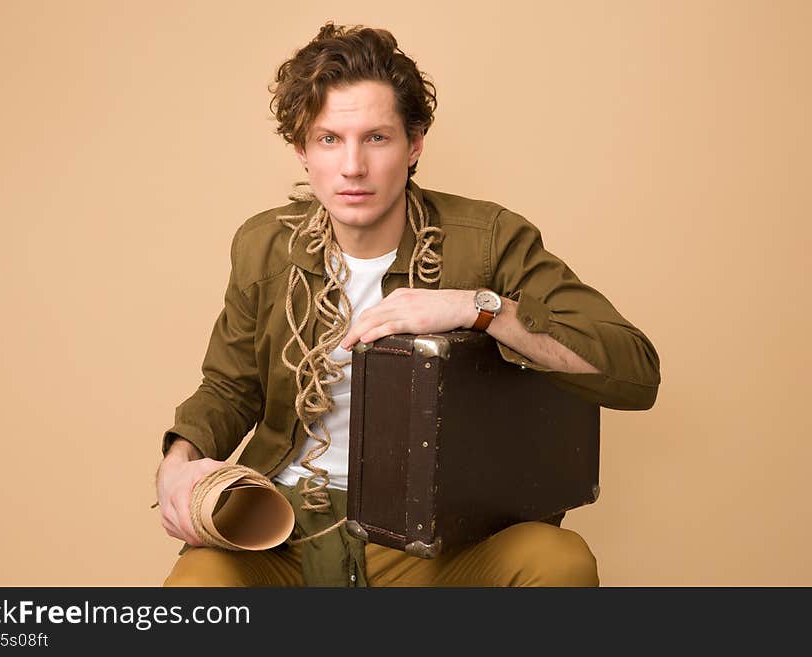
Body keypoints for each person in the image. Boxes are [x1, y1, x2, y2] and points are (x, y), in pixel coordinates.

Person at [156, 22, 660, 587]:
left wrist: (481, 309)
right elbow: (228, 387)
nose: (352, 167)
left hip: (435, 533)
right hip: (284, 526)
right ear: (301, 150)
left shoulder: (491, 239)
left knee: (559, 561)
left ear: (414, 143)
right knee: (196, 588)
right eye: (328, 139)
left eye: (376, 138)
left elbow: (635, 374)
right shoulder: (265, 245)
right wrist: (178, 465)